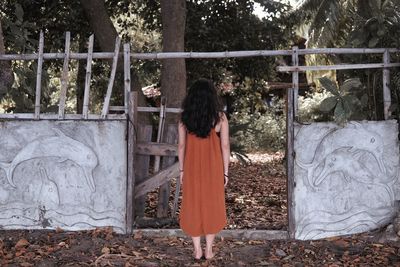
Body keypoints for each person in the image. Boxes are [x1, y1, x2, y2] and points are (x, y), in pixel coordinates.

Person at [178, 78, 230, 260]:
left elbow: (181, 146)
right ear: (212, 96)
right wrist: (225, 172)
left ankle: (196, 249)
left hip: (191, 167)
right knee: (211, 204)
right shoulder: (220, 117)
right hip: (214, 167)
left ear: (191, 97)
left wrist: (182, 171)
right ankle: (209, 249)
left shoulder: (185, 117)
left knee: (192, 203)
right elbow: (225, 146)